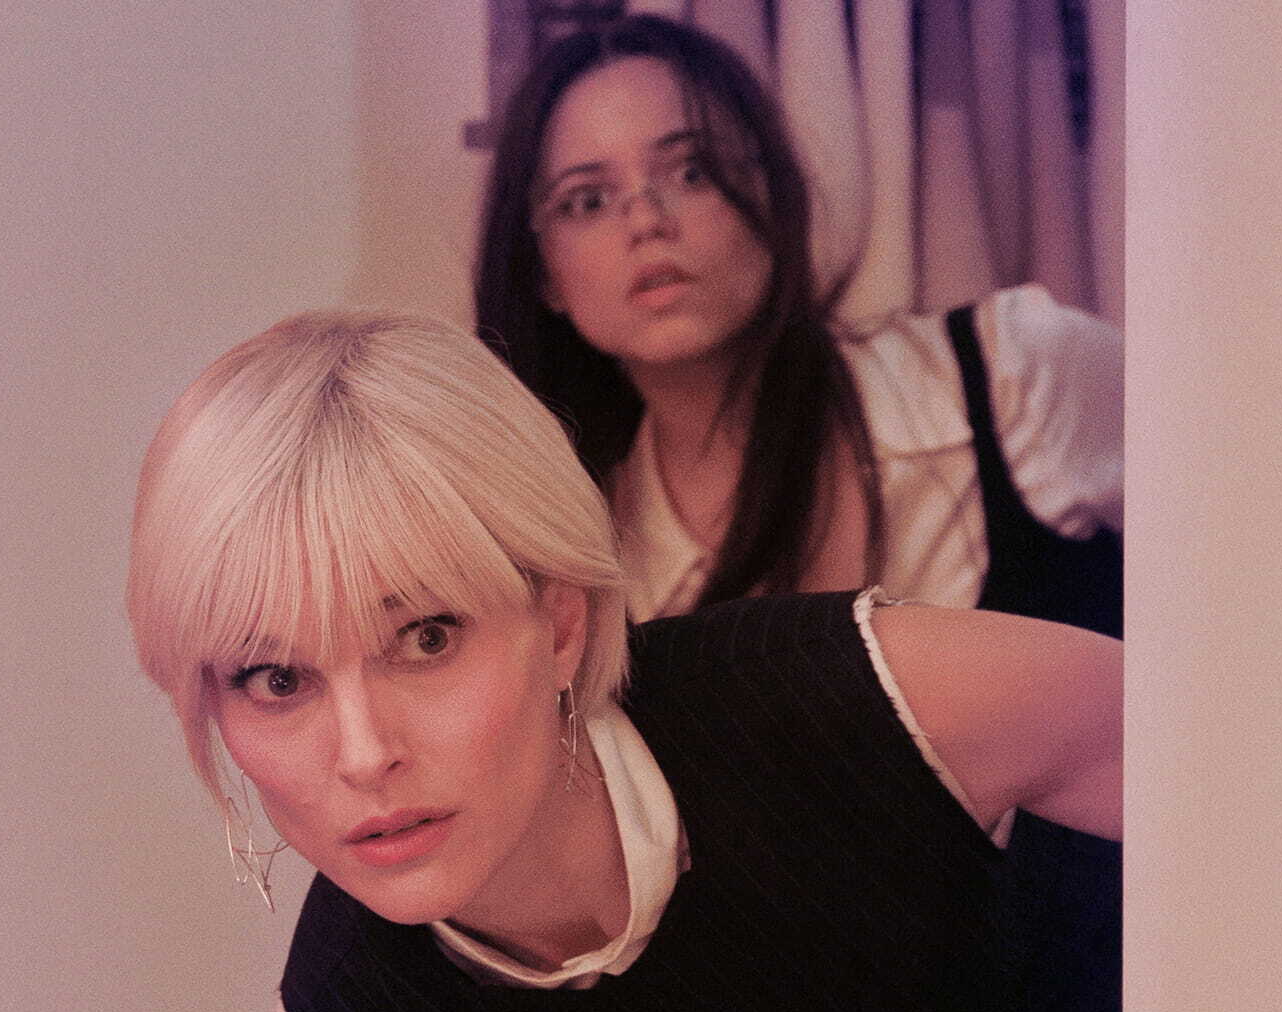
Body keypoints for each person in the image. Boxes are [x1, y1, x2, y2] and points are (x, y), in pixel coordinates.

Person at [126, 309, 1121, 1012]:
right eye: (276, 679)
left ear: (560, 623)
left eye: (425, 637)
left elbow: (1219, 774)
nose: (362, 753)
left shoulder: (861, 696)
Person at [473, 15, 1123, 638]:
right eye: (587, 200)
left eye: (693, 171)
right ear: (543, 273)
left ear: (774, 192)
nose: (646, 221)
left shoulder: (1019, 372)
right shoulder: (591, 565)